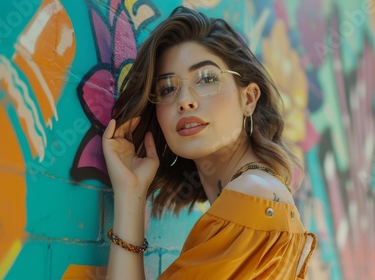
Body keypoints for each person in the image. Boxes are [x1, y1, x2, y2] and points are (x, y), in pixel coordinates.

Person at [102, 6, 316, 280]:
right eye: (167, 88)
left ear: (249, 99)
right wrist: (131, 193)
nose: (184, 101)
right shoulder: (258, 196)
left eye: (206, 79)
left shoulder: (253, 197)